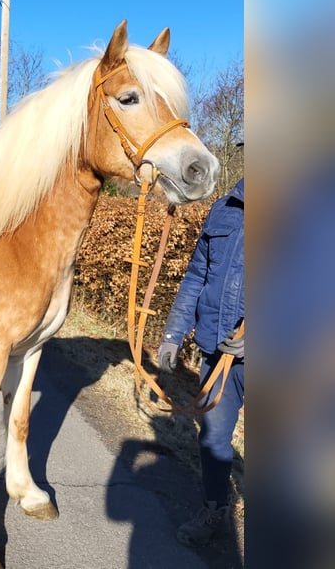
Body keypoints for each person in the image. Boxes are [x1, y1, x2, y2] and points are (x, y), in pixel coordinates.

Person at [157, 178, 244, 547]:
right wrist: (174, 333)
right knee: (212, 439)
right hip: (216, 350)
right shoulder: (223, 209)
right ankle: (215, 511)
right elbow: (196, 276)